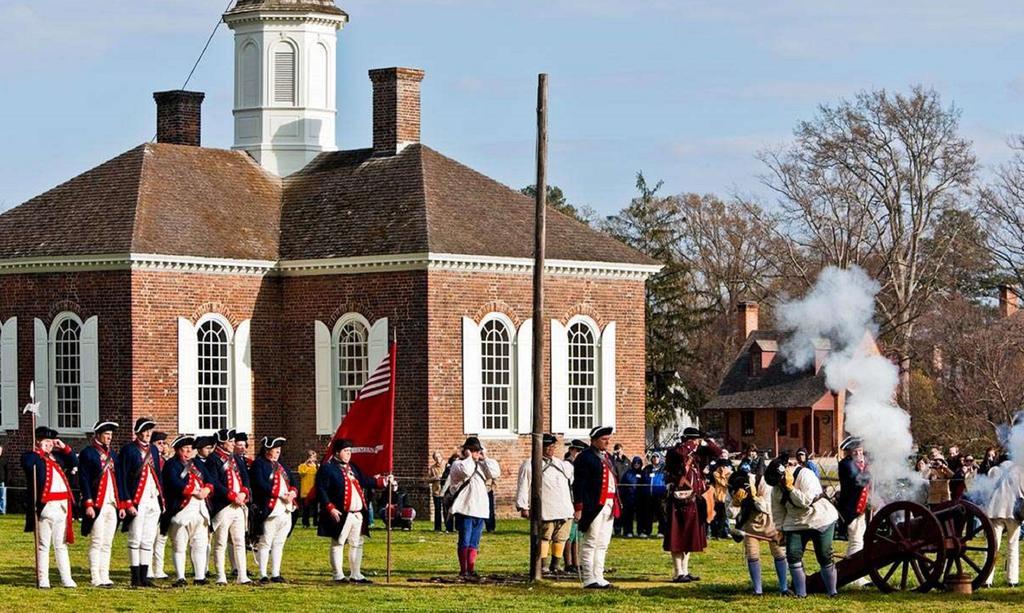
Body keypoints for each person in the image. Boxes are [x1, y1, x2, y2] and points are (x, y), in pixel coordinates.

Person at [317, 438, 390, 583]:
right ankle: (338, 575)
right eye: (346, 451)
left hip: (357, 513)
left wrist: (383, 481)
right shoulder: (327, 468)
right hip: (341, 513)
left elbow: (365, 481)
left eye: (350, 451)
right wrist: (330, 507)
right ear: (337, 453)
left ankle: (356, 574)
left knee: (357, 543)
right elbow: (321, 490)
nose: (349, 454)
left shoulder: (353, 467)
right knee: (338, 543)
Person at [770, 451, 840, 598]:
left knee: (824, 555)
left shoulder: (805, 474)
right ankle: (801, 594)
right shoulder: (776, 487)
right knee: (793, 555)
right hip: (795, 522)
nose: (777, 485)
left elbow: (805, 502)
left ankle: (832, 592)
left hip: (820, 518)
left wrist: (790, 488)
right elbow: (778, 511)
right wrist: (780, 530)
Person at [22, 426, 79, 588]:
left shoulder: (58, 458)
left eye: (50, 442)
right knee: (43, 545)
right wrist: (39, 450)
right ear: (38, 441)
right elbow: (28, 464)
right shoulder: (32, 457)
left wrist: (64, 447)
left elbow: (74, 462)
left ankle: (66, 578)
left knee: (61, 545)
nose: (49, 445)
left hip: (61, 506)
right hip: (45, 507)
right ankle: (43, 579)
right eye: (46, 441)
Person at [663, 428, 721, 582]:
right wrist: (690, 444)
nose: (696, 443)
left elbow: (717, 452)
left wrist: (706, 441)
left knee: (688, 537)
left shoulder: (697, 454)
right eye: (694, 440)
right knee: (677, 538)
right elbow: (679, 454)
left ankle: (685, 571)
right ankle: (678, 572)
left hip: (693, 500)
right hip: (678, 501)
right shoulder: (676, 452)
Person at [515, 433, 575, 574]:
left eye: (552, 446)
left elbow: (571, 478)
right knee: (544, 537)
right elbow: (523, 485)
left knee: (561, 537)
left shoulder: (560, 464)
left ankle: (556, 564)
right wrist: (523, 506)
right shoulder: (530, 464)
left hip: (564, 507)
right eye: (547, 446)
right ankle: (542, 565)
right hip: (546, 508)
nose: (550, 449)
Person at [116, 417, 164, 587]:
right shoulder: (128, 450)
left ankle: (145, 576)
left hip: (152, 498)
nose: (147, 434)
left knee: (148, 539)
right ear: (137, 432)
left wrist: (161, 498)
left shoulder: (154, 450)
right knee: (135, 539)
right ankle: (135, 576)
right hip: (137, 499)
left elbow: (158, 474)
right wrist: (126, 502)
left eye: (149, 431)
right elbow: (121, 477)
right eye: (145, 430)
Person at [728, 462, 789, 596]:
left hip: (771, 523)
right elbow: (730, 514)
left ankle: (784, 587)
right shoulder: (733, 486)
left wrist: (754, 498)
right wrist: (735, 502)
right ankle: (757, 590)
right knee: (752, 555)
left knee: (779, 554)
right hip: (750, 526)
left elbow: (768, 506)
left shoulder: (761, 481)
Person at [161, 434, 213, 587]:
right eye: (185, 449)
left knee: (200, 544)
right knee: (179, 545)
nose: (189, 452)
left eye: (190, 449)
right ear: (178, 450)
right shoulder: (172, 465)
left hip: (200, 510)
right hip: (181, 510)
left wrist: (207, 490)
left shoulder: (197, 464)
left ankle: (199, 576)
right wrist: (193, 491)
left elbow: (210, 478)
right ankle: (180, 577)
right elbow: (174, 483)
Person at [79, 420, 126, 587]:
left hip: (112, 504)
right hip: (97, 503)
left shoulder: (113, 455)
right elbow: (84, 480)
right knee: (97, 541)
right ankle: (95, 576)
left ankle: (105, 575)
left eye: (111, 435)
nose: (109, 438)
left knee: (107, 542)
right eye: (106, 434)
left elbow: (118, 480)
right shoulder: (88, 453)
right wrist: (88, 504)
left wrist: (120, 505)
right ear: (98, 435)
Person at [572, 426, 619, 589]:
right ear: (593, 440)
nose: (607, 442)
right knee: (591, 541)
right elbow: (579, 484)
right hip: (593, 505)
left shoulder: (608, 457)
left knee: (603, 543)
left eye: (608, 439)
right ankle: (588, 578)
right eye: (603, 439)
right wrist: (578, 507)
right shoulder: (585, 458)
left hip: (609, 504)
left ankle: (599, 576)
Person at [448, 436, 500, 579]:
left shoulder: (482, 465)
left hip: (480, 509)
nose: (477, 453)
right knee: (464, 540)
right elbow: (466, 471)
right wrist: (469, 456)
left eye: (478, 451)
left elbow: (495, 473)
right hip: (465, 508)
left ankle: (471, 569)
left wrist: (485, 458)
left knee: (474, 542)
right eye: (473, 450)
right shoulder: (458, 464)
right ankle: (463, 569)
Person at [205, 428, 252, 585]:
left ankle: (242, 575)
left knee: (239, 541)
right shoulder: (213, 459)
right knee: (220, 542)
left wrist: (244, 493)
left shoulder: (236, 459)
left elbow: (245, 477)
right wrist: (232, 496)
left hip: (239, 505)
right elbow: (214, 482)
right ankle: (220, 576)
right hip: (223, 505)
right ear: (222, 443)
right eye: (230, 441)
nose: (233, 444)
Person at [250, 436, 298, 583]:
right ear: (267, 450)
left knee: (279, 542)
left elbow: (293, 480)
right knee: (265, 542)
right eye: (275, 449)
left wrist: (293, 492)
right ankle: (263, 574)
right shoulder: (259, 464)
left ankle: (275, 573)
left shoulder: (281, 465)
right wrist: (279, 494)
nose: (278, 451)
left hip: (286, 508)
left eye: (278, 449)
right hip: (270, 509)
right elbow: (259, 484)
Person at [983, 460, 1024, 587]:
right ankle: (1012, 580)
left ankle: (986, 579)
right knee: (1013, 545)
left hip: (995, 510)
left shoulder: (994, 471)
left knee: (992, 547)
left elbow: (986, 488)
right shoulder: (1020, 471)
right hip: (1013, 512)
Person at [836, 436, 870, 587]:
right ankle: (855, 577)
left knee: (858, 541)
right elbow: (858, 481)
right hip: (851, 509)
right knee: (856, 541)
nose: (859, 452)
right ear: (850, 451)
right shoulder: (846, 464)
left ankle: (852, 573)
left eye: (860, 449)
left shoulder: (859, 465)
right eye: (855, 450)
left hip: (860, 509)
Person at [148, 431, 171, 580]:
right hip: (153, 499)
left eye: (164, 443)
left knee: (162, 537)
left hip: (165, 500)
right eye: (159, 443)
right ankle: (148, 568)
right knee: (150, 537)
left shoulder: (166, 461)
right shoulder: (151, 460)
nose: (162, 446)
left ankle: (159, 568)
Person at [562, 439, 587, 573]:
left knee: (578, 534)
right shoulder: (567, 465)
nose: (578, 453)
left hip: (578, 501)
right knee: (569, 534)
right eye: (577, 451)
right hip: (569, 501)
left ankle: (576, 562)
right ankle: (568, 562)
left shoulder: (579, 466)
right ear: (571, 450)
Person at [639, 452, 667, 538]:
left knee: (661, 514)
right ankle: (647, 531)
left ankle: (662, 531)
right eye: (653, 457)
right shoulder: (647, 468)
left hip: (660, 495)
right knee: (648, 514)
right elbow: (642, 479)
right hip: (648, 495)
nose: (655, 459)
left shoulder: (663, 469)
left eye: (657, 457)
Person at [618, 456, 644, 538]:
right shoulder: (628, 473)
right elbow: (622, 485)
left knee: (640, 516)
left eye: (638, 463)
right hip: (629, 498)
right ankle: (628, 531)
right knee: (628, 516)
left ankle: (640, 531)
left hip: (640, 498)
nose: (636, 464)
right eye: (635, 463)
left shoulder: (643, 473)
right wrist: (622, 496)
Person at [610, 444, 630, 535]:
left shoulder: (627, 461)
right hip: (617, 489)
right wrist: (614, 457)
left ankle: (626, 530)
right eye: (617, 450)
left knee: (626, 511)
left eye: (620, 450)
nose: (619, 452)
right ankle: (617, 529)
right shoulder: (613, 461)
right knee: (617, 509)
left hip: (626, 490)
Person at [298, 449, 320, 528]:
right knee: (305, 509)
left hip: (314, 491)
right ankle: (305, 523)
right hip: (305, 491)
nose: (313, 458)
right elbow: (302, 473)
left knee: (315, 509)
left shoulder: (317, 466)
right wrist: (307, 463)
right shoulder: (302, 466)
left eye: (314, 457)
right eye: (312, 456)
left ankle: (315, 523)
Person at [428, 451, 446, 532]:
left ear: (441, 457)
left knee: (446, 509)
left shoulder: (446, 465)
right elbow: (428, 479)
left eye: (438, 456)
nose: (437, 459)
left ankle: (448, 527)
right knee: (437, 510)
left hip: (445, 491)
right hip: (436, 491)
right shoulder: (432, 468)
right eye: (435, 457)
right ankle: (437, 528)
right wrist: (434, 478)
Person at [442, 452, 459, 533]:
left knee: (457, 510)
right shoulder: (448, 469)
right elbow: (443, 480)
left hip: (457, 492)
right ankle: (448, 527)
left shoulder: (460, 470)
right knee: (447, 511)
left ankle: (458, 527)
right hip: (448, 492)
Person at [0, 443, 7, 515]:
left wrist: (6, 481)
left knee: (2, 497)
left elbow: (7, 471)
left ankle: (2, 511)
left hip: (2, 481)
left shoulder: (4, 460)